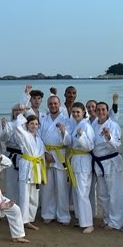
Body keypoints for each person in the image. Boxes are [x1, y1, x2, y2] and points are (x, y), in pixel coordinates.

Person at [59, 102, 95, 234]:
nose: (75, 114)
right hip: (75, 160)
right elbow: (70, 143)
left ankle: (88, 223)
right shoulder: (77, 125)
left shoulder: (86, 126)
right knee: (77, 192)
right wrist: (64, 132)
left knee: (82, 192)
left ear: (84, 112)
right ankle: (81, 219)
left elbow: (90, 146)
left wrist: (82, 136)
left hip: (83, 161)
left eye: (78, 112)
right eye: (73, 112)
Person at [39, 95, 72, 226]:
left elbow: (69, 141)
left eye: (55, 103)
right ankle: (48, 214)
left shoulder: (66, 120)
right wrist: (45, 153)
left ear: (59, 104)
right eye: (51, 103)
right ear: (48, 105)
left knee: (62, 187)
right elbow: (38, 138)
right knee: (47, 187)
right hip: (46, 155)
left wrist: (63, 131)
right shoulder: (43, 120)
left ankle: (63, 215)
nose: (53, 105)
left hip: (60, 155)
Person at [91, 101, 123, 230]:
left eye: (103, 109)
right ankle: (107, 218)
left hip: (111, 162)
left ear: (107, 110)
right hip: (99, 163)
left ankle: (116, 221)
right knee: (103, 194)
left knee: (114, 193)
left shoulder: (113, 125)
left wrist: (108, 136)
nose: (101, 112)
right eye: (98, 110)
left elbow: (117, 146)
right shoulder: (93, 124)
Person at [13, 114, 46, 230]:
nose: (34, 126)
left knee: (34, 195)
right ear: (27, 125)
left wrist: (43, 175)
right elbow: (17, 127)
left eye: (36, 124)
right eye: (31, 123)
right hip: (27, 166)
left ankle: (30, 219)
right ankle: (23, 220)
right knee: (25, 195)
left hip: (36, 168)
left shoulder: (39, 140)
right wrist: (22, 115)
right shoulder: (24, 135)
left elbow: (42, 156)